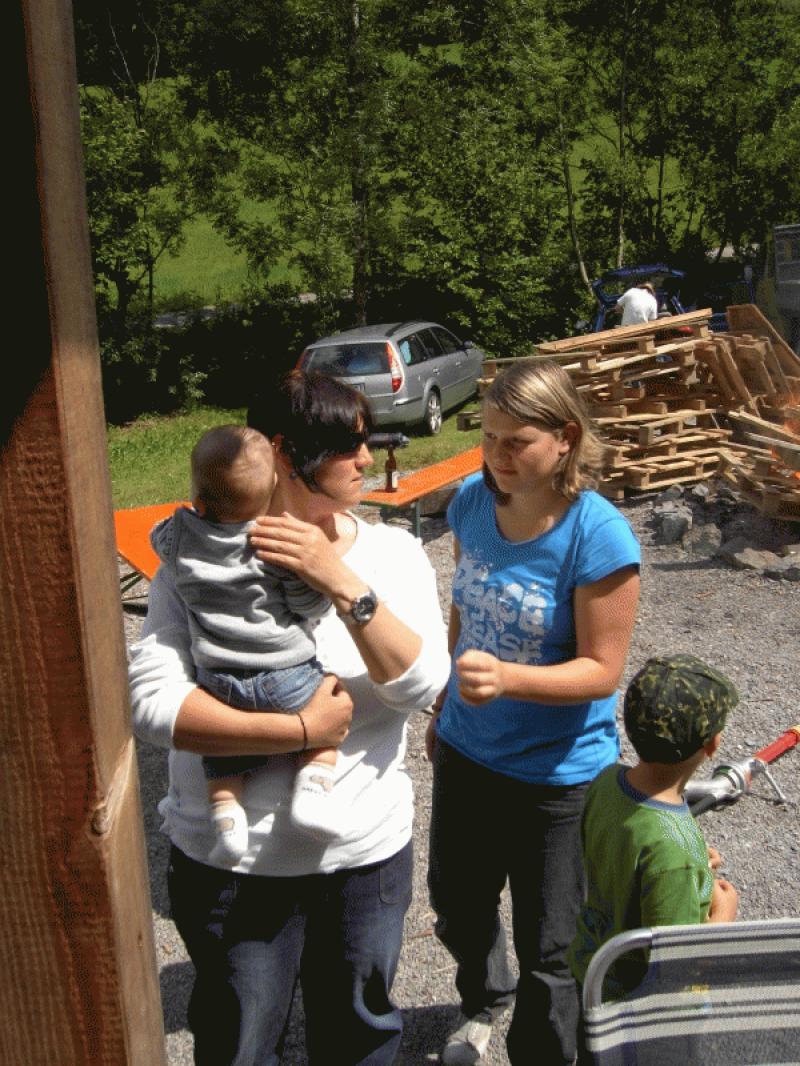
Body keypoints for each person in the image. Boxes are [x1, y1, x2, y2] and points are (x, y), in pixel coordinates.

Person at [128, 370, 450, 1066]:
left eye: (365, 442)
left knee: (361, 1039)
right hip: (234, 866)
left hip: (361, 857)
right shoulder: (196, 558)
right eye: (347, 445)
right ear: (282, 453)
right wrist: (302, 732)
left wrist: (340, 581)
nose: (366, 458)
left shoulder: (391, 554)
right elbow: (153, 705)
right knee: (240, 1047)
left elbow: (422, 684)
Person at [426, 358, 641, 1066]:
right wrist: (444, 702)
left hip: (558, 778)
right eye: (488, 437)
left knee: (550, 947)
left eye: (516, 442)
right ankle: (486, 998)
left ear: (565, 438)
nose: (497, 455)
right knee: (456, 902)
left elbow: (603, 671)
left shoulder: (597, 534)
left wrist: (509, 678)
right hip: (468, 750)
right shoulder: (471, 503)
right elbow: (465, 606)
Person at [149, 423, 341, 867]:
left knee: (221, 758)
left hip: (218, 681)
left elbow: (157, 537)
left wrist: (194, 516)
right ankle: (313, 785)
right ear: (273, 489)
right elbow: (308, 604)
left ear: (198, 499)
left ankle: (228, 821)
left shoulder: (178, 537)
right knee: (331, 697)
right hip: (287, 677)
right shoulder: (273, 542)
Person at [568, 653, 739, 1060]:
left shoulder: (605, 783)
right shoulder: (673, 849)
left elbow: (624, 853)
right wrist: (722, 917)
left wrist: (693, 870)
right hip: (648, 1018)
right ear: (712, 744)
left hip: (591, 976)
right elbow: (676, 963)